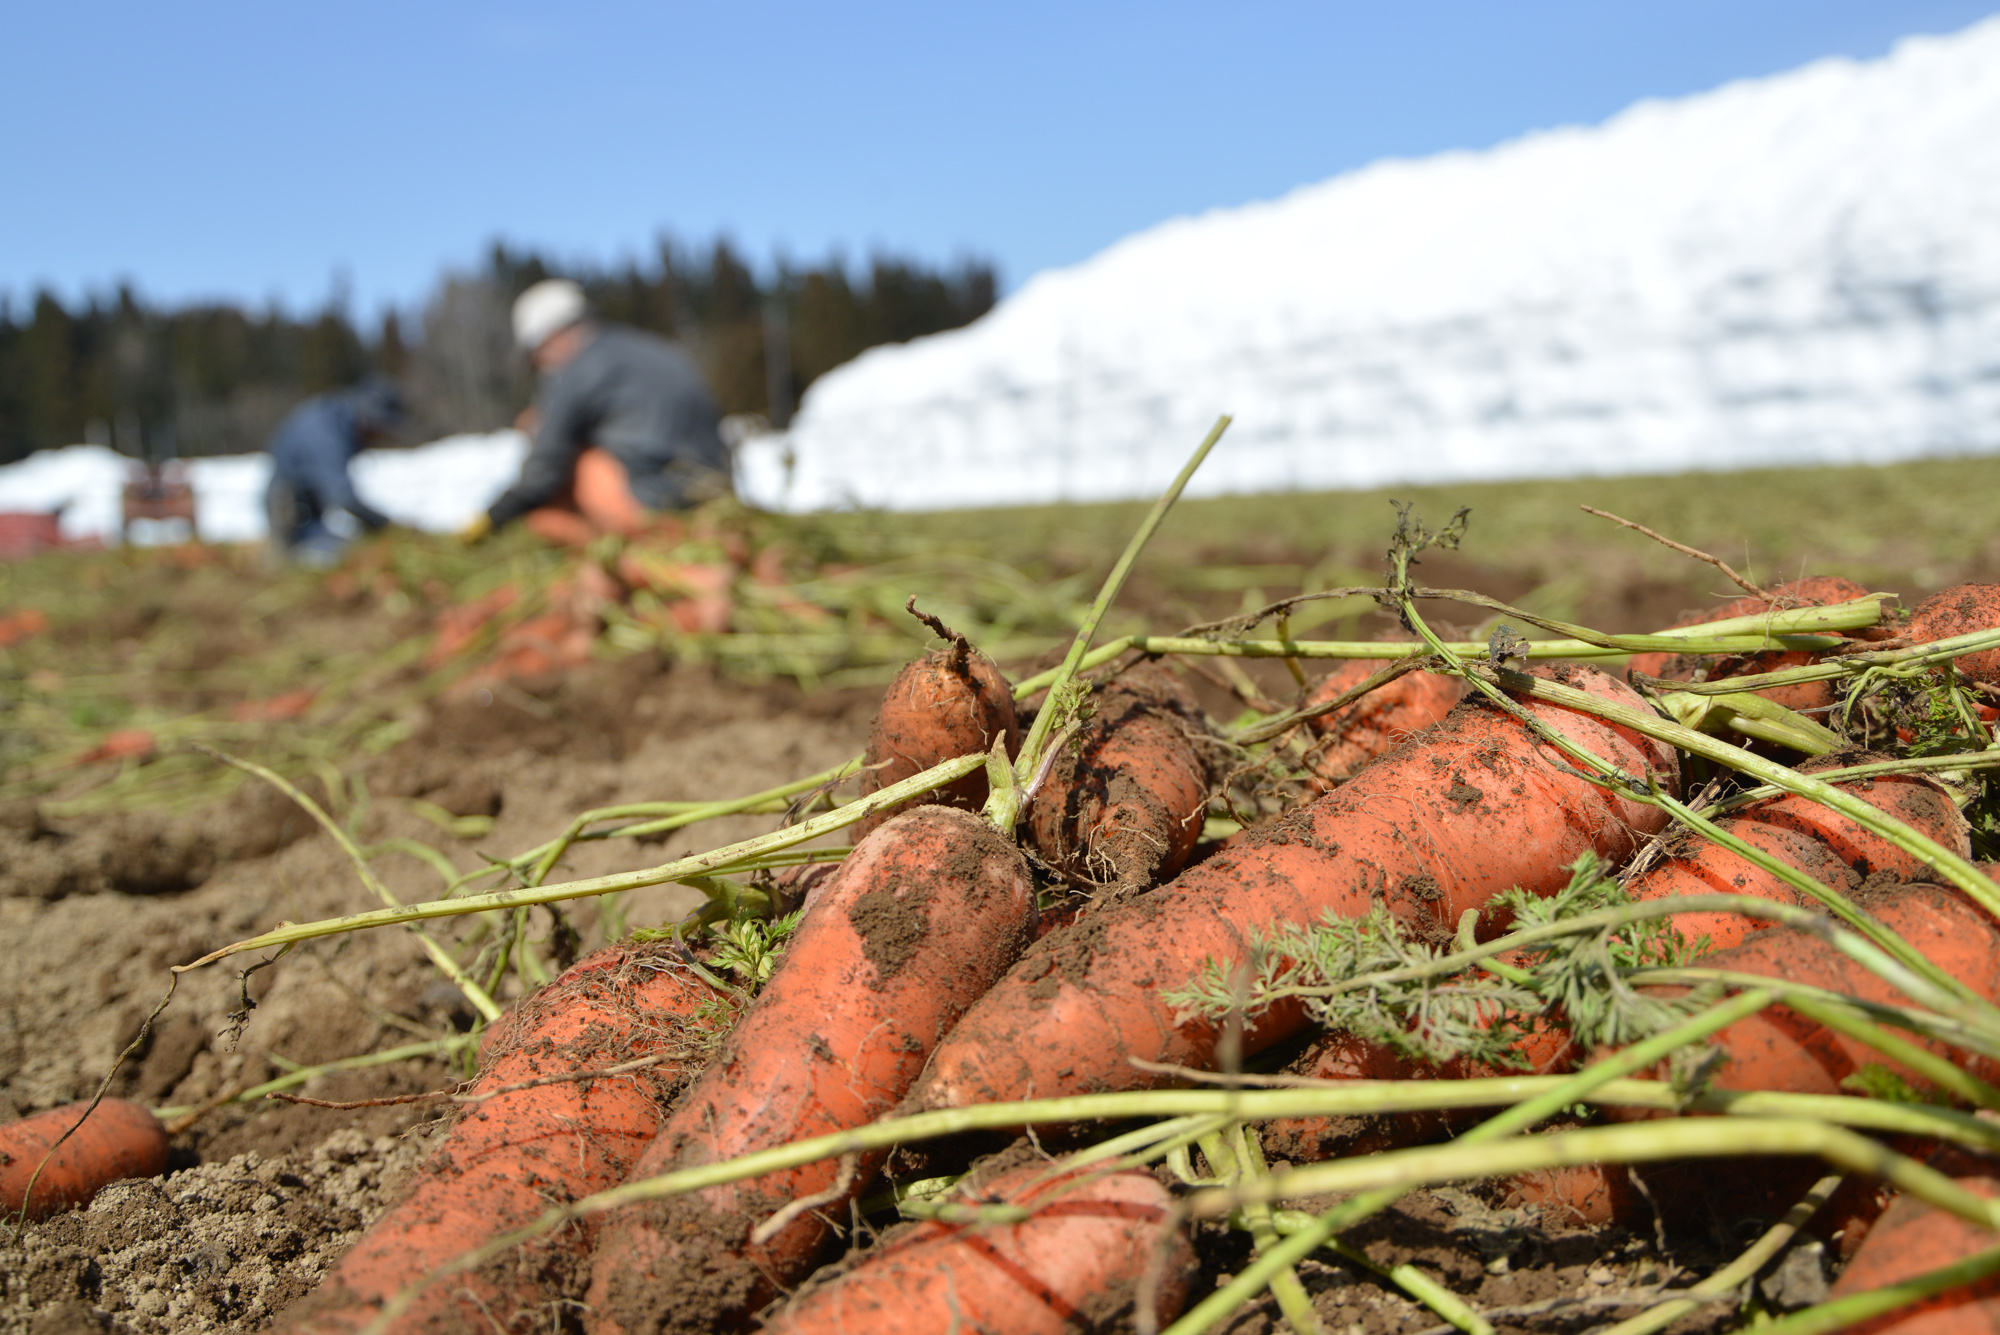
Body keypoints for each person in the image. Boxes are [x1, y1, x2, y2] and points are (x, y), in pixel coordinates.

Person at [461, 279, 733, 546]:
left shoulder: (576, 369)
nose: (542, 370)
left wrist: (492, 518)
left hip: (657, 502)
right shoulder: (648, 348)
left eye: (537, 359)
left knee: (557, 498)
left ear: (550, 338)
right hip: (716, 495)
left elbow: (542, 473)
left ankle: (625, 543)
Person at [264, 378, 405, 566]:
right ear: (367, 418)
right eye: (377, 430)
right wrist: (384, 526)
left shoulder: (335, 417)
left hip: (310, 508)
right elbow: (343, 496)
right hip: (290, 510)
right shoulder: (325, 433)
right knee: (302, 563)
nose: (376, 439)